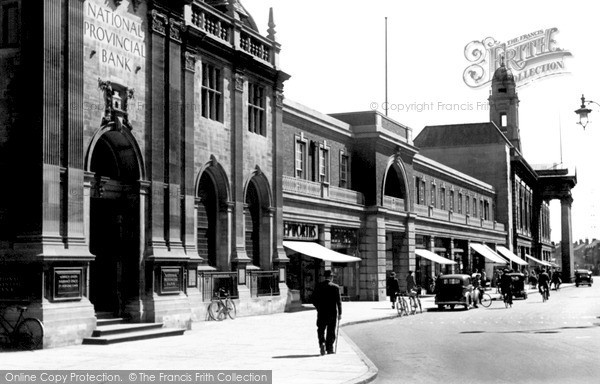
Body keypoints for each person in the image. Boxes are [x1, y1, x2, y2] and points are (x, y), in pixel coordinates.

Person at [313, 270, 342, 355]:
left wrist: (318, 308)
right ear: (331, 277)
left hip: (321, 312)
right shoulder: (335, 287)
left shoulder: (318, 286)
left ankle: (322, 342)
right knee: (331, 331)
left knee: (321, 329)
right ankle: (330, 348)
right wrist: (340, 313)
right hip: (332, 313)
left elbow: (313, 299)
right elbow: (338, 302)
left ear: (324, 277)